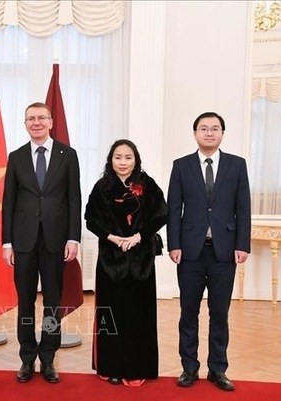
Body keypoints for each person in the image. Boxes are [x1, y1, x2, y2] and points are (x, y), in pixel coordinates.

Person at [167, 112, 251, 392]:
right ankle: (189, 368)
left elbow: (244, 208)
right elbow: (173, 209)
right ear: (195, 134)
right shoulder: (181, 166)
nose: (210, 133)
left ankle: (218, 369)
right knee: (188, 312)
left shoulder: (237, 166)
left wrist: (242, 244)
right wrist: (174, 244)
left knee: (220, 314)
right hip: (190, 252)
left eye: (215, 128)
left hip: (224, 252)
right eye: (204, 128)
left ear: (222, 134)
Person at [2, 102, 81, 384]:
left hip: (56, 241)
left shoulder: (67, 155)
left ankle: (48, 357)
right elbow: (9, 202)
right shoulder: (17, 156)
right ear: (25, 124)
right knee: (25, 302)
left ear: (50, 122)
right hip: (22, 242)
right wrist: (7, 242)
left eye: (41, 118)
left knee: (52, 302)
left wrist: (74, 237)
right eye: (30, 118)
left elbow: (74, 198)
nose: (36, 122)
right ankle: (26, 358)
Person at [84, 139, 167, 387]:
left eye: (128, 157)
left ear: (135, 159)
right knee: (111, 316)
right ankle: (111, 367)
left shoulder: (147, 184)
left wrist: (138, 237)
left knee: (139, 316)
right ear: (111, 160)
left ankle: (137, 368)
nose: (123, 162)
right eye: (118, 157)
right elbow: (90, 219)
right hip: (111, 260)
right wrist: (113, 238)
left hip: (141, 259)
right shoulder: (102, 187)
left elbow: (162, 213)